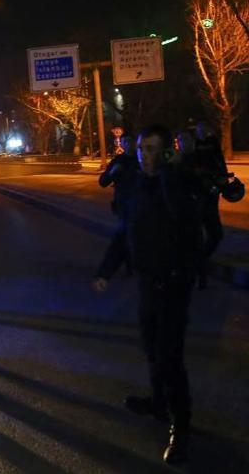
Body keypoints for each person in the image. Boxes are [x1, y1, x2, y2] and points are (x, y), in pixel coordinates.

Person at [93, 125, 202, 464]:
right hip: (146, 283)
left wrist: (170, 173)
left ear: (167, 151)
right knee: (151, 350)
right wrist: (105, 271)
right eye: (142, 149)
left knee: (170, 358)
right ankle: (158, 403)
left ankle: (180, 428)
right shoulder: (135, 187)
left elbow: (188, 226)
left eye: (155, 149)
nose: (147, 156)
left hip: (173, 286)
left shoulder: (178, 184)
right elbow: (124, 232)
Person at [181, 123, 228, 289]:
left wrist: (221, 180)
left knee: (215, 235)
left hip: (208, 200)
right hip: (192, 206)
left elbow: (218, 164)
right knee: (196, 240)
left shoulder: (202, 152)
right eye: (182, 140)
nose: (185, 143)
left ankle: (200, 263)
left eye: (187, 139)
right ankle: (198, 273)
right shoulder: (177, 161)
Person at [95, 135, 140, 279]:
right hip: (124, 205)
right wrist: (113, 172)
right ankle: (129, 265)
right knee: (125, 236)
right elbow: (103, 182)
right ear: (122, 144)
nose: (129, 144)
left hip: (141, 204)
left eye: (132, 141)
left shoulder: (141, 159)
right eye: (126, 142)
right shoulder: (118, 161)